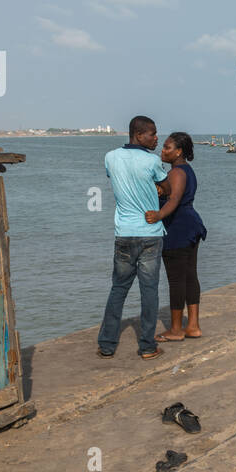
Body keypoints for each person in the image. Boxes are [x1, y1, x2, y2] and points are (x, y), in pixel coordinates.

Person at [97, 115, 170, 359]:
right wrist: (157, 189)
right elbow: (167, 189)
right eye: (152, 133)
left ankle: (107, 344)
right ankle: (147, 346)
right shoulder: (152, 161)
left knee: (118, 288)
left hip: (124, 234)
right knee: (149, 291)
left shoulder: (110, 157)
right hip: (150, 234)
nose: (156, 137)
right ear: (139, 135)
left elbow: (117, 180)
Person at [143, 132, 207, 342]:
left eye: (167, 147)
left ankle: (176, 329)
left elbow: (174, 200)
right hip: (190, 226)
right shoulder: (185, 170)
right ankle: (194, 326)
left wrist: (158, 215)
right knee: (189, 276)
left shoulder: (177, 172)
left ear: (178, 151)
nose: (163, 150)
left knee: (177, 279)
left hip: (179, 228)